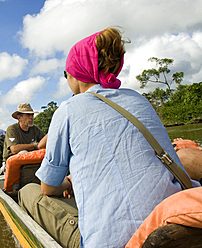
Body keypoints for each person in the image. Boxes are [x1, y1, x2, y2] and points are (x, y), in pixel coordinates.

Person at [18, 27, 199, 248]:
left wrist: (68, 183)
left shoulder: (67, 110)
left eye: (66, 74)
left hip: (109, 242)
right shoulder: (139, 100)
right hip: (169, 222)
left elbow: (47, 188)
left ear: (76, 73)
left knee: (28, 191)